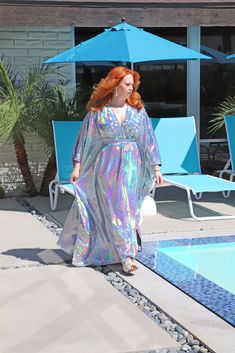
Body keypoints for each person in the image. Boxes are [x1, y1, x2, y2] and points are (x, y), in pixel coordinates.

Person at [57, 66, 163, 273]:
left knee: (126, 210)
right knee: (117, 210)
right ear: (115, 85)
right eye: (127, 84)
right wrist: (77, 167)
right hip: (106, 166)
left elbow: (149, 139)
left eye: (133, 84)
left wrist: (156, 168)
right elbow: (84, 140)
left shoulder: (138, 111)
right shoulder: (98, 113)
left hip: (132, 167)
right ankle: (127, 255)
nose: (131, 88)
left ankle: (119, 251)